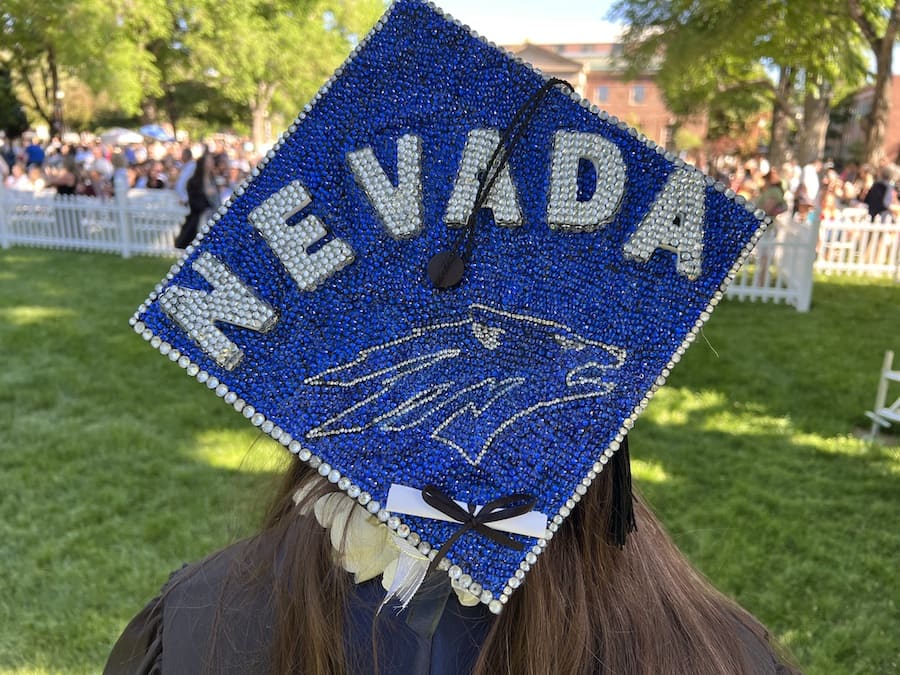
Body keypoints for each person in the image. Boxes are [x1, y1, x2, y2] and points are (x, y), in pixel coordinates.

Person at [173, 151, 216, 249]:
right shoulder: (194, 182)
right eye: (209, 161)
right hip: (198, 217)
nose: (212, 163)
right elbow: (195, 203)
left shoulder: (213, 180)